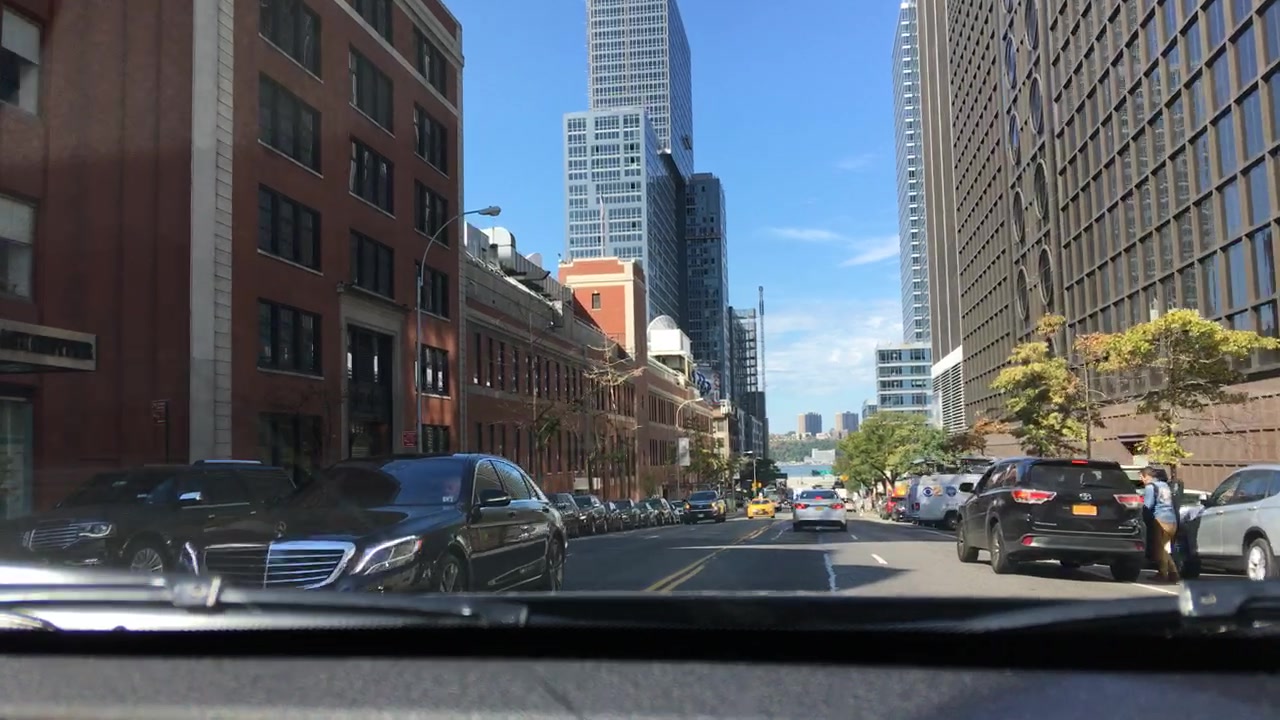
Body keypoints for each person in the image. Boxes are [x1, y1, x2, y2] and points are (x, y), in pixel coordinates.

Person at [1140, 466, 1180, 583]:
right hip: (1172, 519)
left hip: (1160, 519)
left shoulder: (1150, 487)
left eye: (1142, 477)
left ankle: (1164, 573)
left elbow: (1148, 505)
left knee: (1161, 548)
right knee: (1165, 547)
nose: (1141, 480)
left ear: (1146, 476)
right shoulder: (1164, 485)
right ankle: (1172, 573)